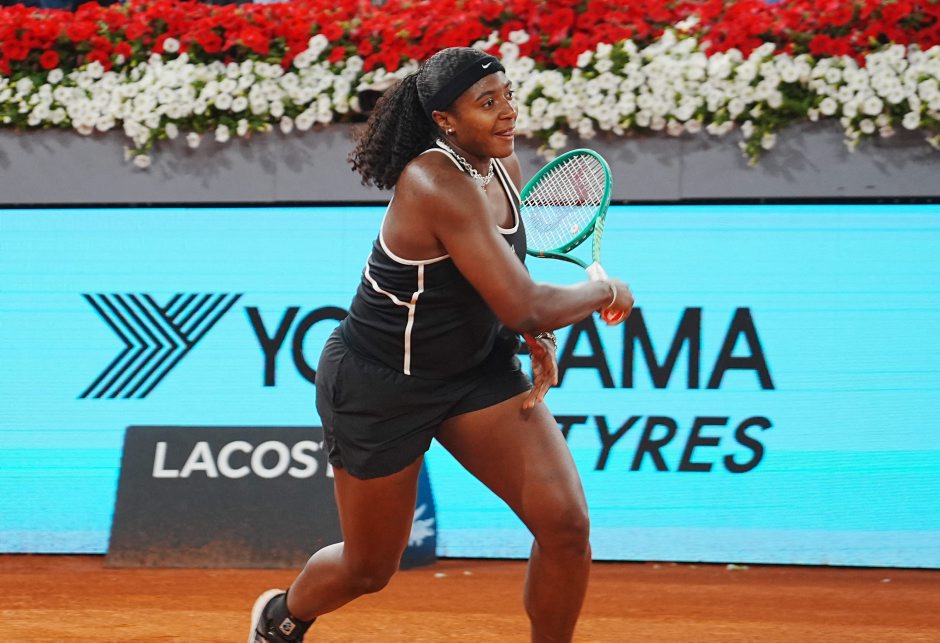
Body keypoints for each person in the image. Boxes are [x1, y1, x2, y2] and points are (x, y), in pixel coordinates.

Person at [249, 46, 634, 643]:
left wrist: (530, 335)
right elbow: (525, 301)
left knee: (565, 525)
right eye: (487, 102)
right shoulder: (433, 181)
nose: (507, 112)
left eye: (508, 95)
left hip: (474, 374)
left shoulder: (499, 162)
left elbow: (504, 283)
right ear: (445, 121)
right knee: (369, 567)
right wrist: (604, 290)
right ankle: (282, 616)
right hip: (382, 385)